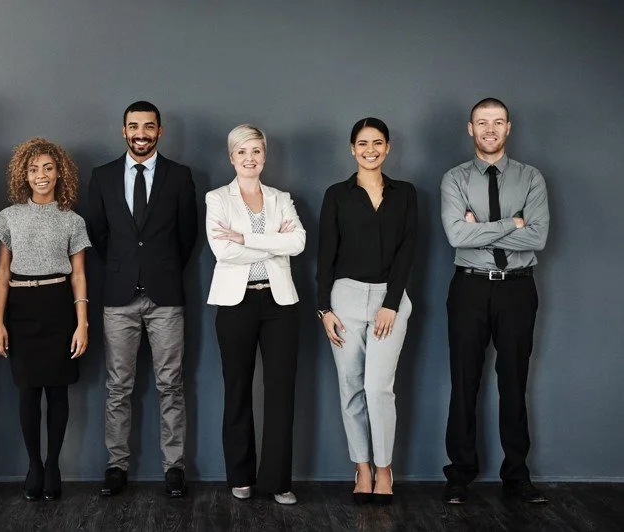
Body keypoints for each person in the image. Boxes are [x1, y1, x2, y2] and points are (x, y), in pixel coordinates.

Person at [441, 98, 550, 505]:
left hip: (518, 288)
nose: (490, 129)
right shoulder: (454, 179)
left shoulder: (531, 178)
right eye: (482, 122)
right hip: (469, 288)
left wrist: (481, 228)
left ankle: (517, 477)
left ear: (509, 127)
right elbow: (456, 236)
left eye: (498, 122)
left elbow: (537, 237)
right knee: (464, 382)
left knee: (514, 383)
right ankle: (459, 476)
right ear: (470, 128)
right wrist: (513, 223)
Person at [86, 101, 198, 498]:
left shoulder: (180, 176)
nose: (141, 133)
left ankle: (174, 468)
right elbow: (98, 235)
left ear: (159, 132)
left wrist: (158, 270)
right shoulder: (101, 177)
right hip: (118, 297)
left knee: (171, 384)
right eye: (133, 126)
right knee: (119, 387)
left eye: (148, 126)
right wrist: (125, 269)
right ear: (123, 131)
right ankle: (116, 467)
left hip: (166, 297)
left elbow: (188, 237)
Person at [317, 118, 417, 505]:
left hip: (390, 301)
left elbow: (408, 250)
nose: (370, 149)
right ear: (352, 149)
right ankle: (360, 468)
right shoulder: (337, 194)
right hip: (344, 297)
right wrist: (323, 308)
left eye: (377, 143)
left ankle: (383, 468)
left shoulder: (405, 194)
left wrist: (391, 304)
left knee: (378, 388)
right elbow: (325, 255)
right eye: (362, 143)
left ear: (388, 147)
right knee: (351, 387)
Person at [206, 124, 306, 505]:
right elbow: (222, 252)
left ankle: (279, 480)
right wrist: (274, 246)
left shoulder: (281, 198)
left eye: (257, 152)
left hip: (279, 304)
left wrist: (246, 238)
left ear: (266, 156)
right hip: (235, 303)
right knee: (237, 390)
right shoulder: (217, 199)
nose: (250, 158)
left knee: (281, 392)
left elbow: (297, 243)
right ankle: (240, 475)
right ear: (232, 157)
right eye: (242, 152)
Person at [0, 138, 90, 501]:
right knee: (28, 392)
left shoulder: (73, 220)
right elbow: (2, 272)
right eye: (34, 170)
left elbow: (79, 275)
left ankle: (53, 465)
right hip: (21, 306)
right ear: (24, 175)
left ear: (60, 171)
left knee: (58, 390)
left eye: (48, 168)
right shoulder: (9, 216)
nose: (41, 175)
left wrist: (83, 322)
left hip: (58, 304)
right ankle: (33, 464)